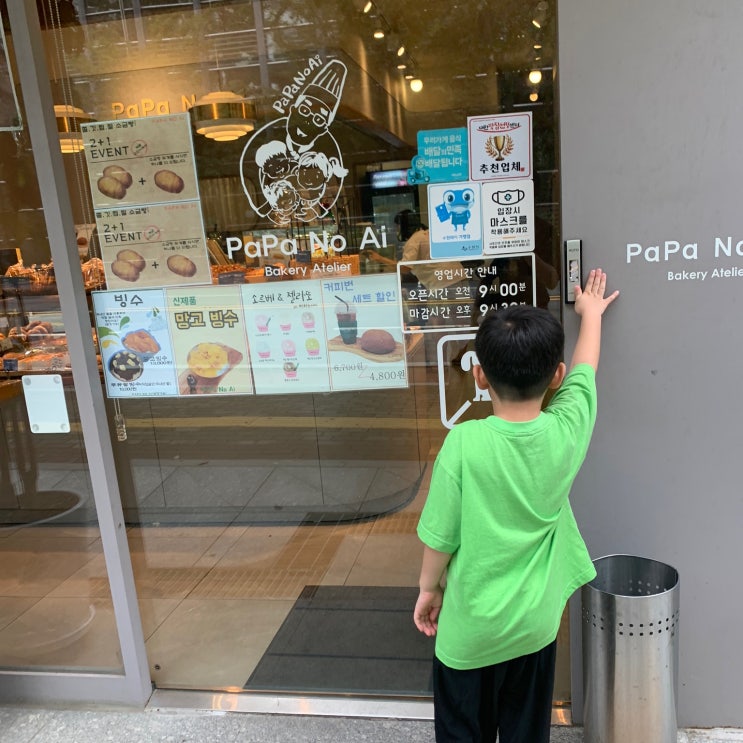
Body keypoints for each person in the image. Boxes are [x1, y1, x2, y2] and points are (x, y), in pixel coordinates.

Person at [413, 268, 619, 743]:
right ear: (555, 376)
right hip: (533, 629)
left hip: (469, 634)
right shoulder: (566, 431)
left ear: (480, 375)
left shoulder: (463, 444)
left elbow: (440, 536)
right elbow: (585, 371)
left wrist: (428, 589)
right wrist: (590, 314)